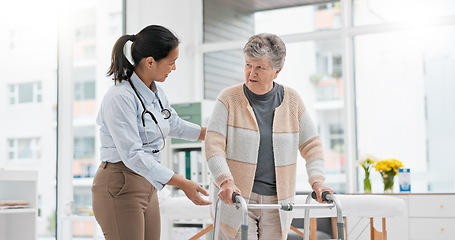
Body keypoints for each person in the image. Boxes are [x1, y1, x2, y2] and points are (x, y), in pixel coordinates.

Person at [205, 33, 333, 240]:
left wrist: (317, 181)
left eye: (259, 67)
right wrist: (225, 181)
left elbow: (312, 145)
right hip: (236, 200)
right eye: (247, 65)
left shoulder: (292, 100)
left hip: (278, 202)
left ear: (277, 71)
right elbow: (213, 146)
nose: (250, 73)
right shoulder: (228, 99)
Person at [91, 25, 211, 240]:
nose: (173, 68)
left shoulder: (156, 93)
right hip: (120, 182)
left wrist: (215, 135)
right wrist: (183, 183)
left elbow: (175, 125)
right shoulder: (120, 97)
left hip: (147, 183)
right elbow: (133, 155)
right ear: (150, 61)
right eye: (171, 62)